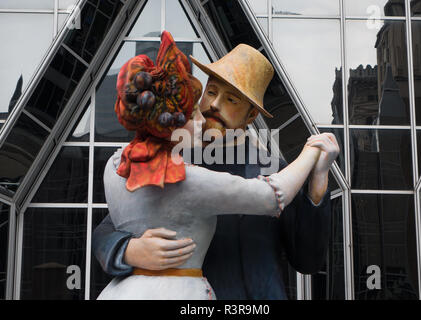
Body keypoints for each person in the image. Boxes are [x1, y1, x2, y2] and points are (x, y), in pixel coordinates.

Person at [93, 36, 340, 300]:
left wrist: (318, 181)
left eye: (232, 99)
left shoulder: (272, 167)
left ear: (251, 115)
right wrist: (129, 250)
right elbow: (109, 228)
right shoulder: (167, 161)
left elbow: (307, 260)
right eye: (211, 92)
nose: (214, 105)